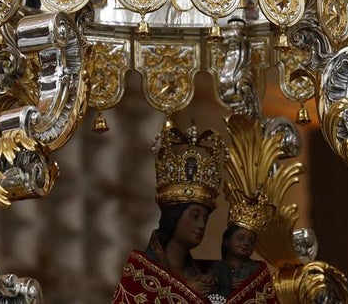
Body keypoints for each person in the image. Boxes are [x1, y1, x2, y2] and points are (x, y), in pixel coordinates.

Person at [112, 123, 225, 304]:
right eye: (195, 216)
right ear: (174, 216)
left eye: (205, 218)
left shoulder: (201, 273)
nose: (202, 225)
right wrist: (186, 294)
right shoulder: (142, 272)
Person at [210, 224, 273, 301]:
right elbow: (211, 292)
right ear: (226, 240)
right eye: (240, 239)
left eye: (251, 242)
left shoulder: (256, 268)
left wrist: (247, 287)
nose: (246, 243)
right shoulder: (218, 266)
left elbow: (264, 294)